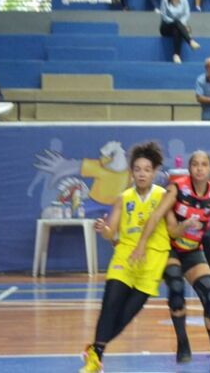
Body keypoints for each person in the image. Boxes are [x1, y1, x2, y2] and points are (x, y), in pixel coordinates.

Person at [79, 142, 200, 373]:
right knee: (110, 307)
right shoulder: (123, 198)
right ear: (131, 172)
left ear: (154, 172)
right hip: (125, 258)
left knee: (125, 316)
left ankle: (94, 348)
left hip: (152, 263)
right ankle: (96, 359)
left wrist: (186, 225)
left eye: (146, 169)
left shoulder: (163, 195)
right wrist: (103, 227)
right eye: (137, 169)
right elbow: (110, 232)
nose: (142, 173)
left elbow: (173, 231)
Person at [130, 151, 210, 372]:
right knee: (175, 288)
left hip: (194, 251)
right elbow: (156, 216)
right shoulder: (177, 188)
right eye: (195, 164)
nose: (199, 168)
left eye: (204, 164)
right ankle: (183, 343)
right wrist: (142, 244)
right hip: (171, 249)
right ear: (190, 168)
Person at [160, 0, 200, 64]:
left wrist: (179, 24)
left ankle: (176, 55)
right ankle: (190, 41)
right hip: (166, 27)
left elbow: (187, 14)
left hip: (178, 28)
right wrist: (176, 22)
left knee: (176, 30)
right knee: (176, 24)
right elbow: (163, 16)